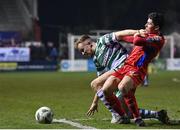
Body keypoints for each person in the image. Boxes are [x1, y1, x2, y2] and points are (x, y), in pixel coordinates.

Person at [74, 23, 169, 125]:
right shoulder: (96, 60)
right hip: (119, 75)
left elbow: (121, 34)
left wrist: (136, 32)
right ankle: (157, 114)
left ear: (88, 43)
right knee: (127, 112)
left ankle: (116, 115)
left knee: (94, 83)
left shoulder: (102, 40)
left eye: (82, 50)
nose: (83, 53)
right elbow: (100, 85)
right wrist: (95, 102)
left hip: (126, 66)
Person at [95, 12, 167, 126]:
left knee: (122, 87)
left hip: (138, 69)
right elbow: (128, 38)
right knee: (106, 90)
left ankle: (137, 118)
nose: (145, 25)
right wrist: (126, 36)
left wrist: (137, 34)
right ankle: (122, 116)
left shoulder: (158, 39)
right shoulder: (146, 35)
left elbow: (137, 41)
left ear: (157, 27)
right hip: (126, 66)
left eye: (148, 24)